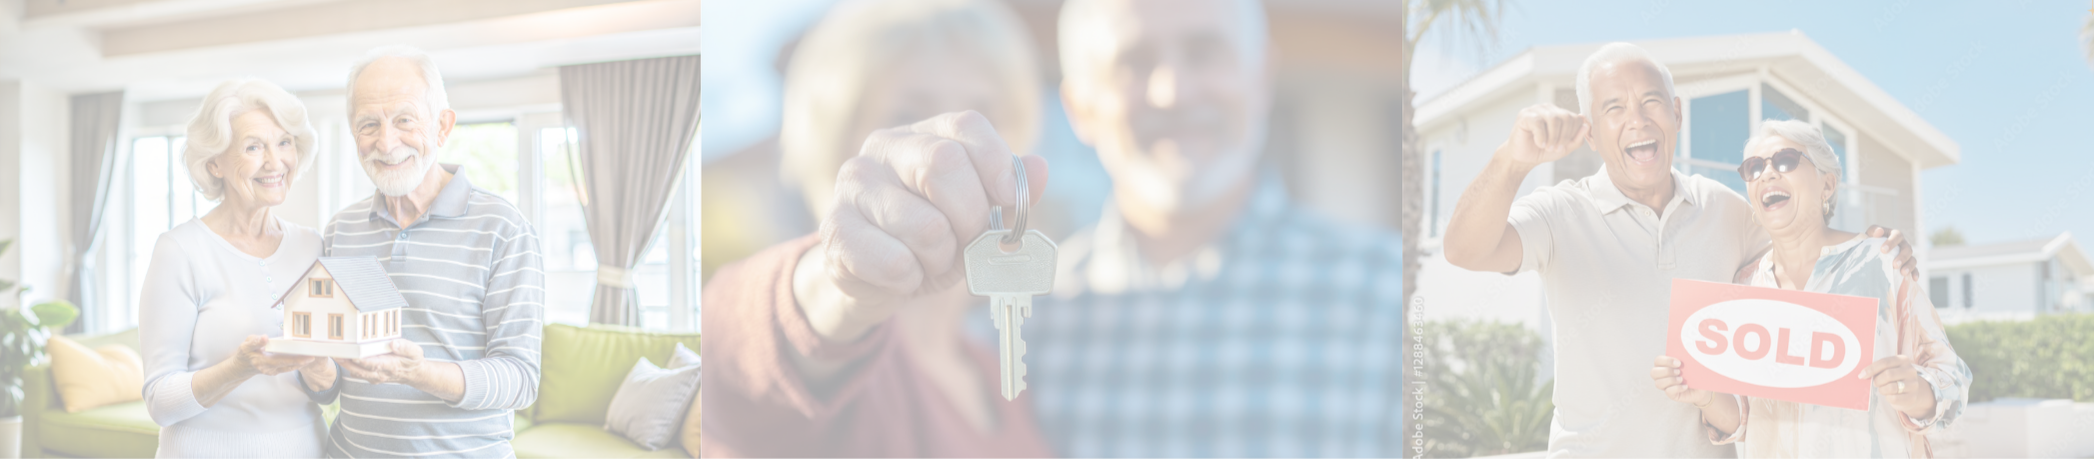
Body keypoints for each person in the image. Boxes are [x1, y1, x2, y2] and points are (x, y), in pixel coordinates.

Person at [727, 0, 1403, 456]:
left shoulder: (1393, 292)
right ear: (1078, 107)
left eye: (1204, 51)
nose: (1172, 90)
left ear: (1260, 77)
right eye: (1133, 63)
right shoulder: (1026, 313)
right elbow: (754, 361)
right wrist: (831, 280)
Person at [1442, 42, 1919, 458]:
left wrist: (1868, 246)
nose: (1637, 120)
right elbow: (1465, 250)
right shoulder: (1560, 213)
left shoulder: (1726, 210)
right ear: (1590, 133)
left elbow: (1803, 253)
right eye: (1614, 108)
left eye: (1651, 102)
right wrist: (1510, 162)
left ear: (1676, 114)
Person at [692, 0, 1050, 456]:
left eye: (986, 114)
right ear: (836, 145)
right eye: (907, 116)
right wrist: (842, 282)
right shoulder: (813, 332)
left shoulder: (998, 372)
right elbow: (735, 349)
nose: (951, 149)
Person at [1649, 119, 1969, 458]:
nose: (1767, 174)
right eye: (1754, 168)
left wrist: (1919, 392)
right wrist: (1705, 396)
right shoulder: (1744, 286)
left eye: (1785, 160)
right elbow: (1745, 420)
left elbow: (1954, 379)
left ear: (1827, 185)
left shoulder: (1885, 263)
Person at [298, 45, 545, 458]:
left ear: (442, 127)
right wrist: (315, 368)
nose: (386, 142)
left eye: (404, 120)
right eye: (368, 125)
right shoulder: (342, 230)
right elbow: (334, 384)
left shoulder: (503, 228)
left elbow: (520, 380)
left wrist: (418, 373)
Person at [139, 78, 331, 457]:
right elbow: (160, 402)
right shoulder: (180, 250)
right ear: (214, 162)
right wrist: (240, 367)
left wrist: (319, 368)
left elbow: (327, 389)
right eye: (253, 147)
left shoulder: (313, 246)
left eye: (284, 142)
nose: (275, 162)